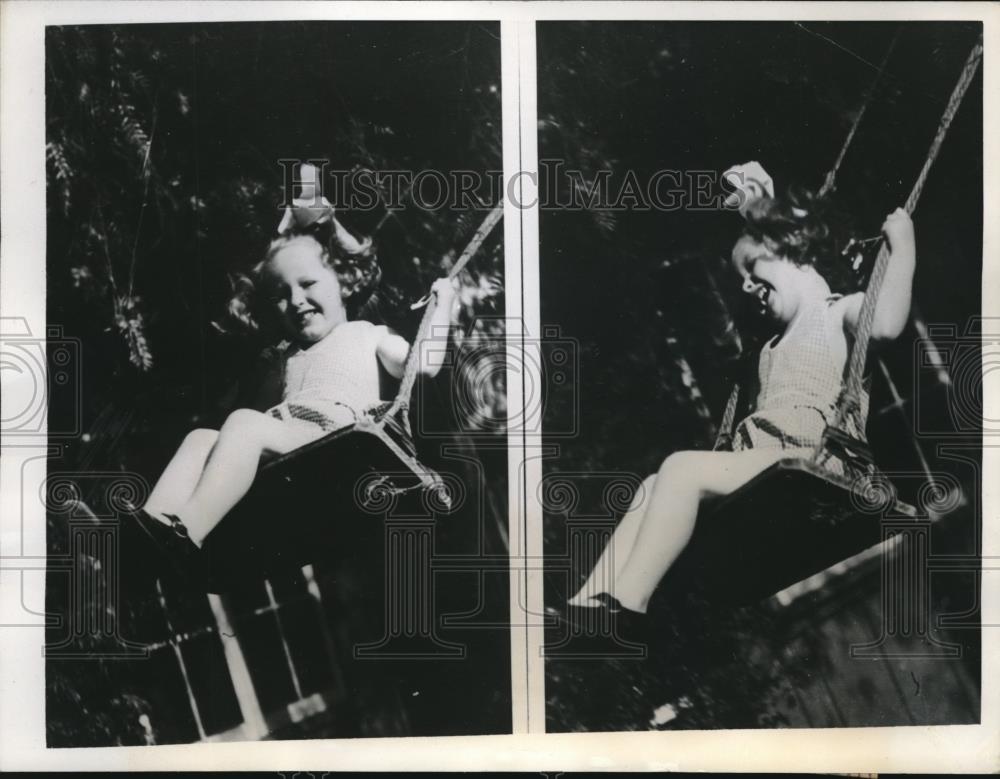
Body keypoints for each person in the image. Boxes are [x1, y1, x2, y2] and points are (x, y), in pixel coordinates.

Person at [567, 172, 916, 624]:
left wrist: (902, 243)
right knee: (653, 484)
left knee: (679, 467)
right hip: (765, 467)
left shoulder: (839, 313)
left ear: (795, 250)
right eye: (743, 281)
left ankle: (629, 603)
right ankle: (589, 602)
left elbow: (886, 323)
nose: (748, 287)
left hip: (811, 459)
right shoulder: (767, 347)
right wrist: (755, 212)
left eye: (753, 270)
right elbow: (770, 247)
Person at [132, 182, 458, 577]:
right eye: (280, 295)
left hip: (339, 441)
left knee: (242, 424)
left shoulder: (369, 335)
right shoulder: (286, 357)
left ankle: (188, 531)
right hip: (292, 449)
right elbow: (254, 423)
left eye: (307, 284)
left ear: (344, 280)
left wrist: (443, 308)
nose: (296, 300)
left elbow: (424, 367)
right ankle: (152, 527)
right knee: (201, 438)